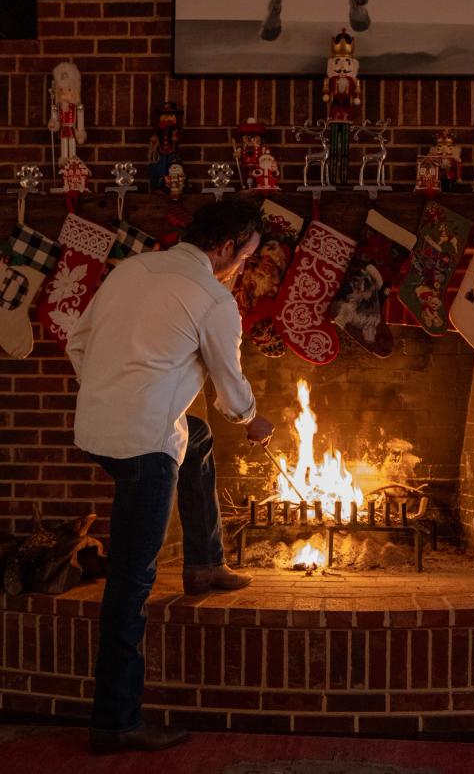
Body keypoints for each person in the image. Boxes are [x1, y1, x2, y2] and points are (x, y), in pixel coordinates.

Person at [65, 201, 274, 755]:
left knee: (197, 436)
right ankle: (116, 721)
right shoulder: (213, 298)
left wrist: (109, 392)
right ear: (228, 246)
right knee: (131, 583)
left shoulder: (131, 269)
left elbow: (77, 343)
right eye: (245, 257)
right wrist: (253, 420)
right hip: (145, 450)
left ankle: (205, 565)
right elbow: (231, 386)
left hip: (97, 430)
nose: (242, 269)